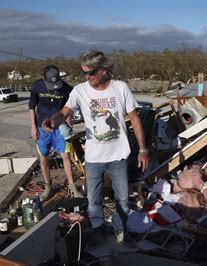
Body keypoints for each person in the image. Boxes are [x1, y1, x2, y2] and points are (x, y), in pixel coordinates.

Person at [42, 50, 149, 249]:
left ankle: (121, 233)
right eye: (84, 72)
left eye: (90, 72)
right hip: (93, 159)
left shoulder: (120, 88)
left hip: (118, 156)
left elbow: (135, 119)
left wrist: (143, 149)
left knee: (123, 200)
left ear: (103, 70)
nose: (86, 77)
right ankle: (99, 233)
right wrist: (53, 122)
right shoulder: (80, 91)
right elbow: (65, 112)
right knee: (93, 202)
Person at [29, 65, 83, 201]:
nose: (54, 87)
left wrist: (69, 118)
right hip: (42, 128)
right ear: (43, 78)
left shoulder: (65, 87)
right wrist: (33, 127)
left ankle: (72, 186)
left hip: (60, 127)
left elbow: (69, 105)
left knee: (65, 156)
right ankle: (48, 187)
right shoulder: (37, 86)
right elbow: (31, 107)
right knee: (43, 158)